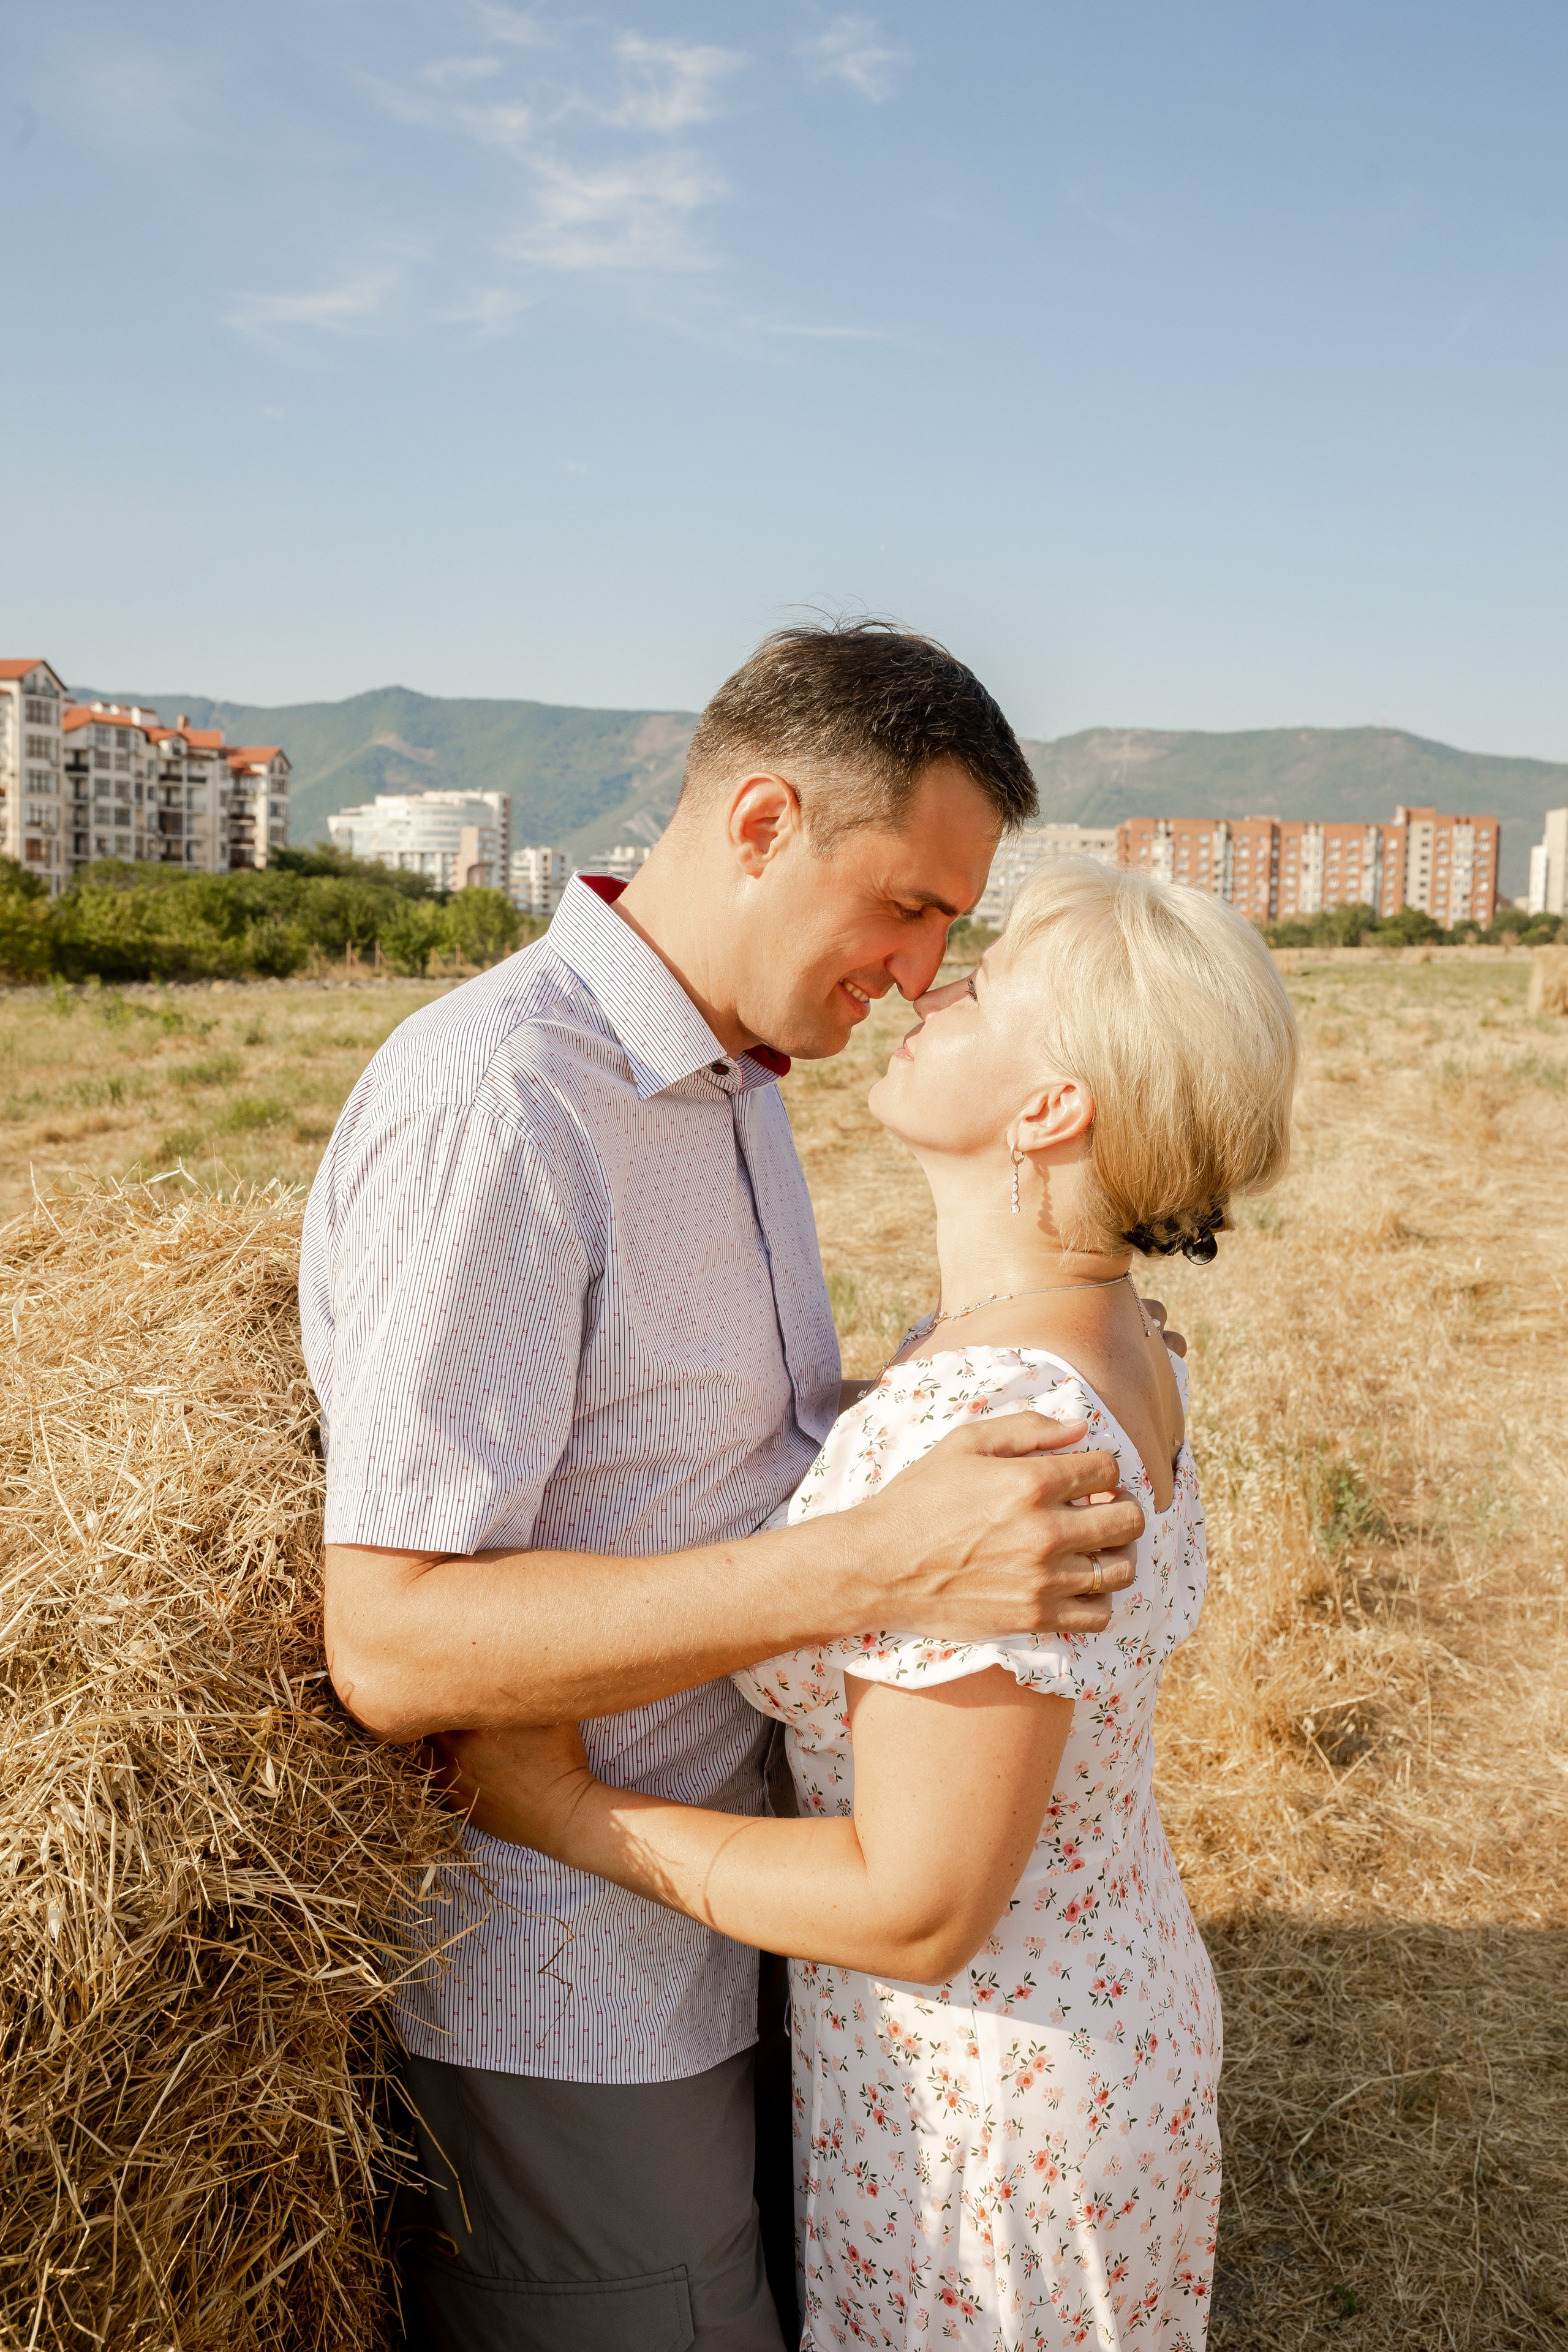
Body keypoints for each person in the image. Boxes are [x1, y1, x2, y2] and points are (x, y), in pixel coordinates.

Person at [301, 624, 1156, 2351]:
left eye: (951, 929)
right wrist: (877, 1561)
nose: (925, 973)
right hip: (573, 1991)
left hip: (748, 1931)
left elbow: (707, 1462)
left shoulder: (737, 1076)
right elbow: (389, 1645)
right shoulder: (510, 1109)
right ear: (762, 822)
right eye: (909, 907)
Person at [442, 857, 1300, 2350]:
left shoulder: (996, 1418)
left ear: (1050, 1110)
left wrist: (564, 1812)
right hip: (1091, 2026)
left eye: (982, 987)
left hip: (992, 2104)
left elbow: (915, 1907)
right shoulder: (1099, 1346)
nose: (927, 983)